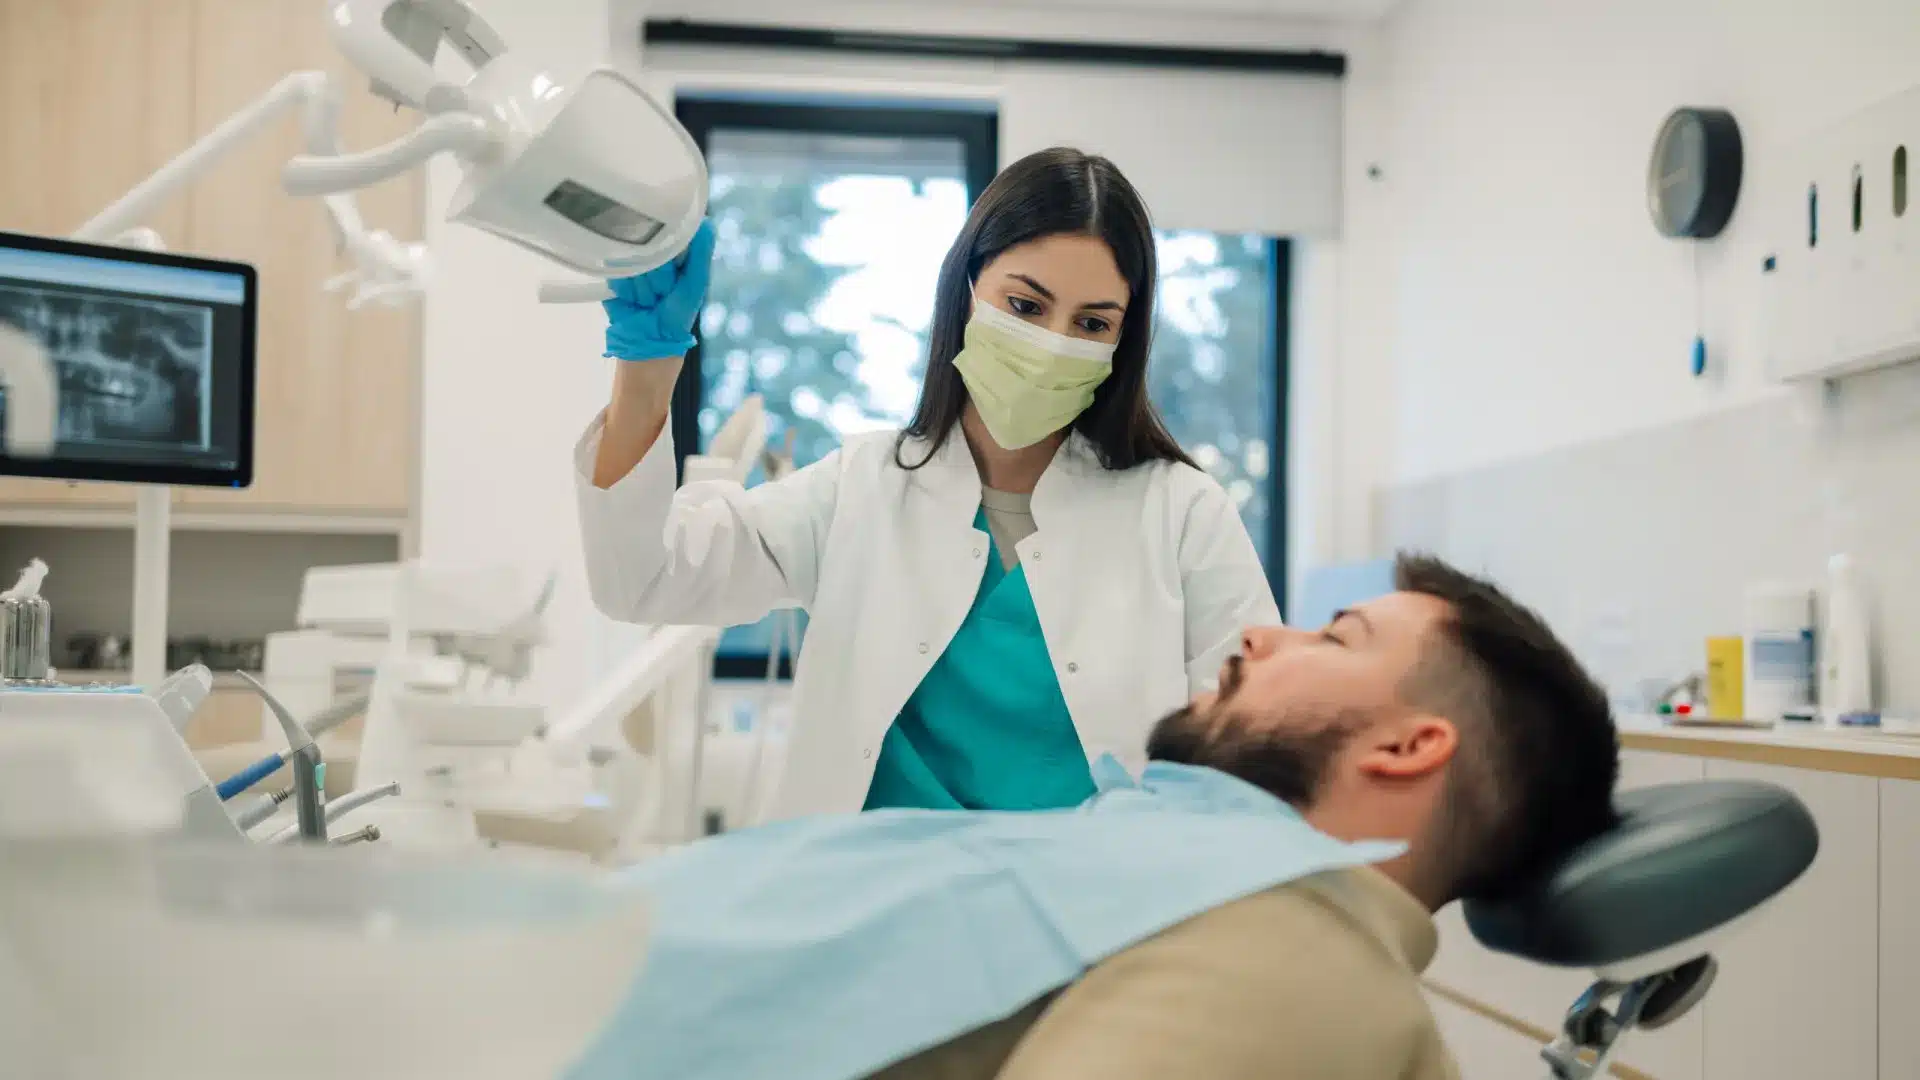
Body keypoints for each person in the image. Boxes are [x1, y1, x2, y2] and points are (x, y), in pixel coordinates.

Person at [565, 553, 1621, 1080]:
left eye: (1336, 640)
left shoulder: (1300, 953)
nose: (1259, 636)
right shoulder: (1196, 866)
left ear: (1407, 747)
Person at [576, 147, 1277, 819]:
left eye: (1091, 323)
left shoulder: (1182, 513)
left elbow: (1254, 746)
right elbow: (642, 580)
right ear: (967, 289)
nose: (1053, 344)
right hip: (875, 910)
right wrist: (647, 370)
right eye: (1027, 306)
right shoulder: (861, 488)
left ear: (1122, 343)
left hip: (1089, 918)